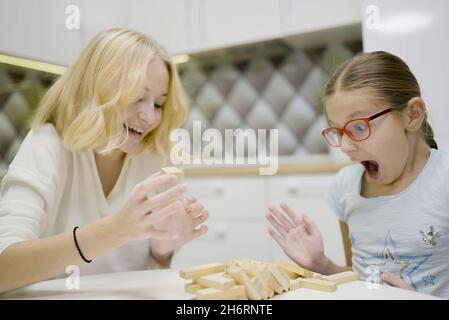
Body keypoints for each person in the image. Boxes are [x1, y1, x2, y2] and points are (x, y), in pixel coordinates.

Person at [0, 28, 208, 294]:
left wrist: (162, 249)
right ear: (96, 89)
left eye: (158, 103)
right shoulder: (48, 144)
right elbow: (3, 269)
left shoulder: (156, 157)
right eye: (137, 97)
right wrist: (114, 230)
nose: (149, 116)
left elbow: (143, 278)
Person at [266, 51, 449, 298]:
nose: (345, 147)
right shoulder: (346, 186)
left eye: (359, 127)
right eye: (339, 132)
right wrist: (321, 265)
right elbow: (357, 278)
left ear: (412, 114)